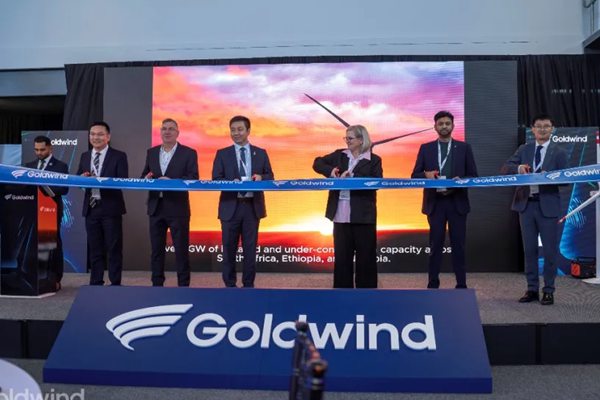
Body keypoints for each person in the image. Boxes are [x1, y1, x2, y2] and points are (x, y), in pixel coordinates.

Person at [501, 114, 567, 305]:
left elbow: (567, 180)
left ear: (552, 129)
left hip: (548, 207)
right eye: (539, 126)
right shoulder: (525, 149)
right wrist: (519, 168)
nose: (542, 130)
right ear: (533, 129)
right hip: (526, 205)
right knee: (529, 250)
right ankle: (531, 289)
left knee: (550, 251)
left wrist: (551, 177)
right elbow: (505, 168)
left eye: (546, 126)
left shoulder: (559, 152)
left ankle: (548, 290)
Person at [411, 111, 478, 289]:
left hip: (457, 202)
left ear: (453, 126)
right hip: (435, 203)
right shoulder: (426, 148)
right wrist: (426, 175)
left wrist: (461, 180)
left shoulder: (464, 148)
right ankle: (433, 283)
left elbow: (473, 176)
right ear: (435, 127)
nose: (444, 126)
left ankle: (461, 284)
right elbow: (414, 175)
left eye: (447, 123)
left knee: (459, 246)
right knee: (435, 245)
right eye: (440, 124)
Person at [313, 125, 383, 288]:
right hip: (340, 215)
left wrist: (353, 177)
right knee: (342, 259)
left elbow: (377, 182)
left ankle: (366, 295)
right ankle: (342, 295)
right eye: (346, 138)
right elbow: (317, 163)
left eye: (350, 138)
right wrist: (332, 172)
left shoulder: (374, 160)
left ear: (361, 140)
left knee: (366, 259)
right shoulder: (339, 155)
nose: (347, 141)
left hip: (363, 217)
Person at [212, 115, 274, 288]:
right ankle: (229, 286)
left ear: (248, 131)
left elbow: (270, 176)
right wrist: (229, 183)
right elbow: (215, 179)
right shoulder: (222, 154)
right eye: (233, 130)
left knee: (250, 250)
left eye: (240, 129)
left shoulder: (260, 153)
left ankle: (248, 286)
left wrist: (261, 177)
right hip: (230, 207)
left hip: (252, 208)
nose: (236, 133)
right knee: (228, 250)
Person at [141, 118, 199, 287]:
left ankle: (183, 286)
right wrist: (146, 178)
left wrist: (171, 182)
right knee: (156, 251)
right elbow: (144, 175)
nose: (167, 131)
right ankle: (157, 285)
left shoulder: (189, 153)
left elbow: (193, 178)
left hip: (178, 208)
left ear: (177, 133)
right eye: (164, 128)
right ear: (160, 132)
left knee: (181, 250)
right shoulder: (151, 152)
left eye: (171, 129)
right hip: (155, 208)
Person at [76, 121, 128, 286]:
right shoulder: (85, 156)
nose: (95, 137)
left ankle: (115, 283)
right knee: (95, 249)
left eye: (100, 134)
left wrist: (99, 181)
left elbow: (122, 181)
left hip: (111, 209)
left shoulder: (119, 156)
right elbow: (78, 180)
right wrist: (82, 180)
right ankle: (96, 282)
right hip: (91, 208)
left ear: (108, 137)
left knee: (113, 248)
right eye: (92, 134)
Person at [25, 136, 69, 291]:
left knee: (52, 243)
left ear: (50, 148)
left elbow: (64, 188)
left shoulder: (61, 166)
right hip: (31, 210)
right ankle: (33, 276)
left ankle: (55, 278)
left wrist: (44, 188)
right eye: (36, 150)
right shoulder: (28, 166)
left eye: (42, 149)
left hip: (51, 209)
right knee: (32, 242)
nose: (39, 153)